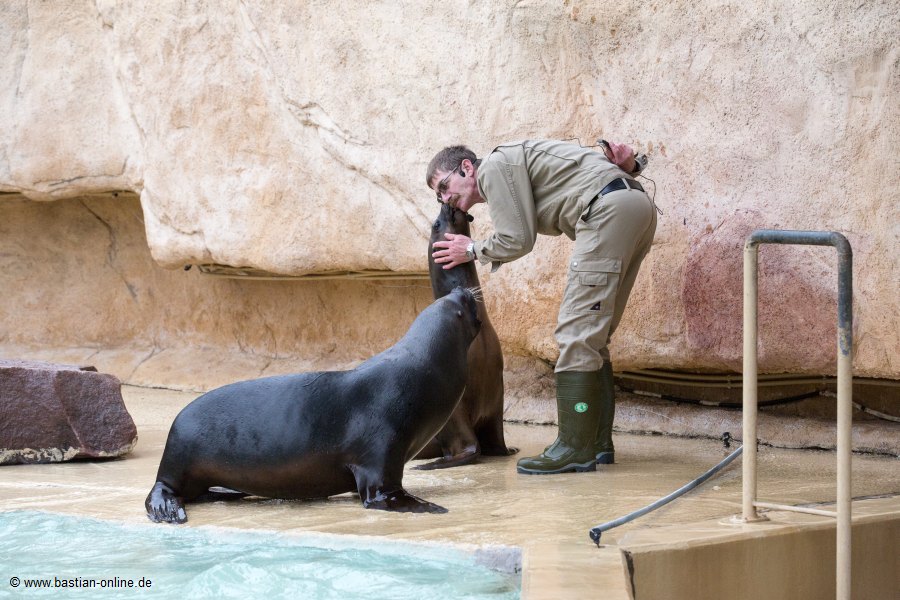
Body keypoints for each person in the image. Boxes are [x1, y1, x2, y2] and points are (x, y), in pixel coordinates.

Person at [427, 139, 658, 475]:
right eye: (439, 196)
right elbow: (589, 171)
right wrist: (632, 167)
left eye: (444, 187)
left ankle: (574, 447)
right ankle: (597, 443)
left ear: (466, 168)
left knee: (576, 334)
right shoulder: (513, 162)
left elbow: (517, 239)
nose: (445, 199)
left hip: (606, 212)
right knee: (594, 336)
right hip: (635, 207)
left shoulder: (491, 168)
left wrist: (472, 249)